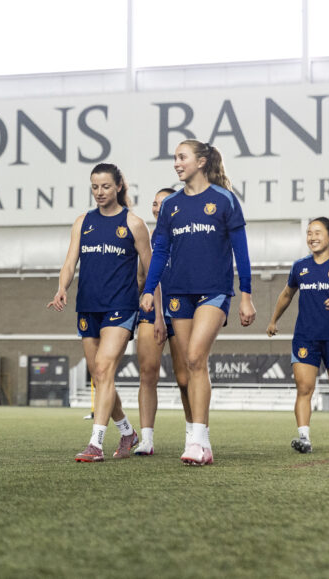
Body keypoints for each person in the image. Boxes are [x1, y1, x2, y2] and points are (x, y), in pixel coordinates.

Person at [140, 140, 256, 466]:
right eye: (175, 158)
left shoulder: (224, 200)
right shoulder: (170, 206)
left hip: (214, 291)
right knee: (189, 367)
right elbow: (160, 250)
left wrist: (245, 296)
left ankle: (200, 441)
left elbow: (241, 252)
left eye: (182, 157)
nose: (176, 163)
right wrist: (150, 290)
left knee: (195, 356)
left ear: (201, 161)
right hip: (178, 293)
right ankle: (196, 437)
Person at [48, 163, 151, 463]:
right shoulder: (83, 222)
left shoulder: (134, 223)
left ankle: (96, 444)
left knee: (104, 369)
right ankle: (127, 432)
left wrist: (148, 297)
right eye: (94, 187)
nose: (99, 192)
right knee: (99, 375)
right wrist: (61, 288)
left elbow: (150, 265)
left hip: (120, 306)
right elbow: (69, 263)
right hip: (87, 306)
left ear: (118, 186)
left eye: (105, 186)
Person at [265, 217, 329, 454]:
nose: (312, 237)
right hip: (305, 336)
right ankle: (304, 437)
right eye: (308, 233)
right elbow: (286, 295)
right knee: (304, 389)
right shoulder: (300, 266)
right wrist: (274, 320)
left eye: (317, 233)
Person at [133, 187, 193, 456]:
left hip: (182, 309)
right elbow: (142, 276)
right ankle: (146, 439)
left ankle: (195, 433)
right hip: (151, 310)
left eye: (163, 203)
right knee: (147, 373)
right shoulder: (150, 237)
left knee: (185, 378)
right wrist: (148, 306)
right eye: (154, 204)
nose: (157, 208)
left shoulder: (187, 234)